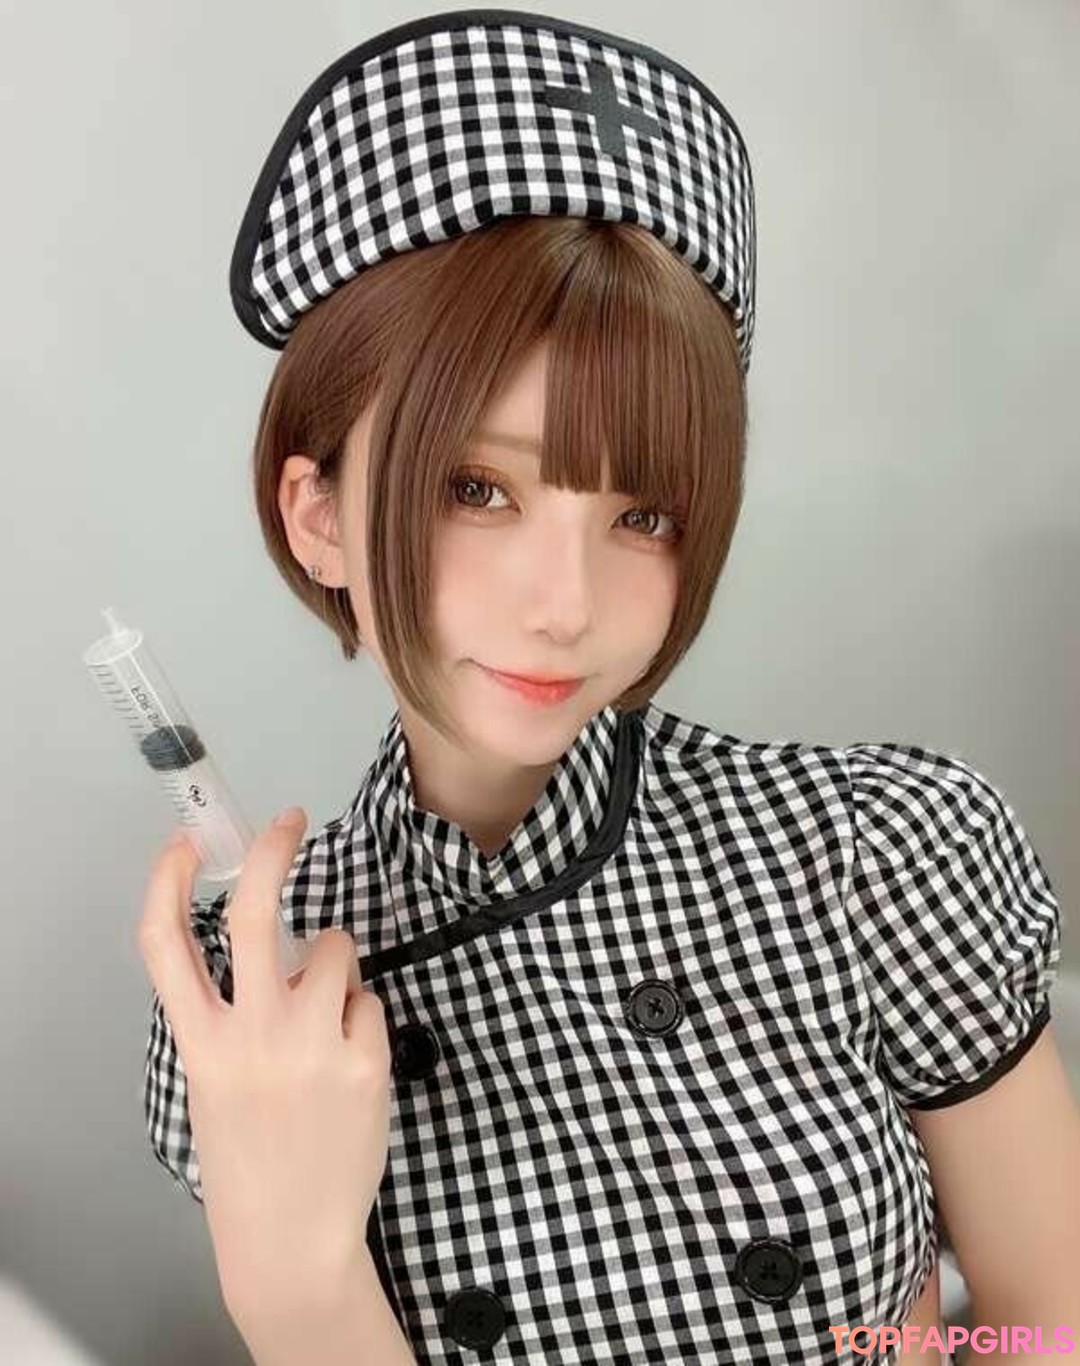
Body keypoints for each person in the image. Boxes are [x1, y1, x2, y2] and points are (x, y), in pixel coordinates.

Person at [138, 9, 1078, 1365]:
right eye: (479, 488)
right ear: (319, 513)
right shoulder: (262, 998)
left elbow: (1050, 1323)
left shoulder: (876, 849)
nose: (567, 603)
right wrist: (294, 1286)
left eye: (644, 514)